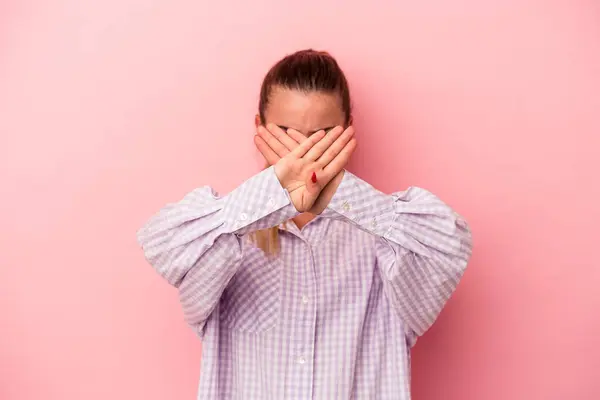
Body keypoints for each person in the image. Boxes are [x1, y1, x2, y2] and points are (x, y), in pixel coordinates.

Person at [137, 49, 472, 400]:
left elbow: (452, 245)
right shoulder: (222, 238)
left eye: (322, 136)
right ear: (260, 129)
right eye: (287, 134)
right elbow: (159, 242)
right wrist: (272, 193)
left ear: (346, 133)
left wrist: (340, 193)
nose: (305, 153)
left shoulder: (387, 245)